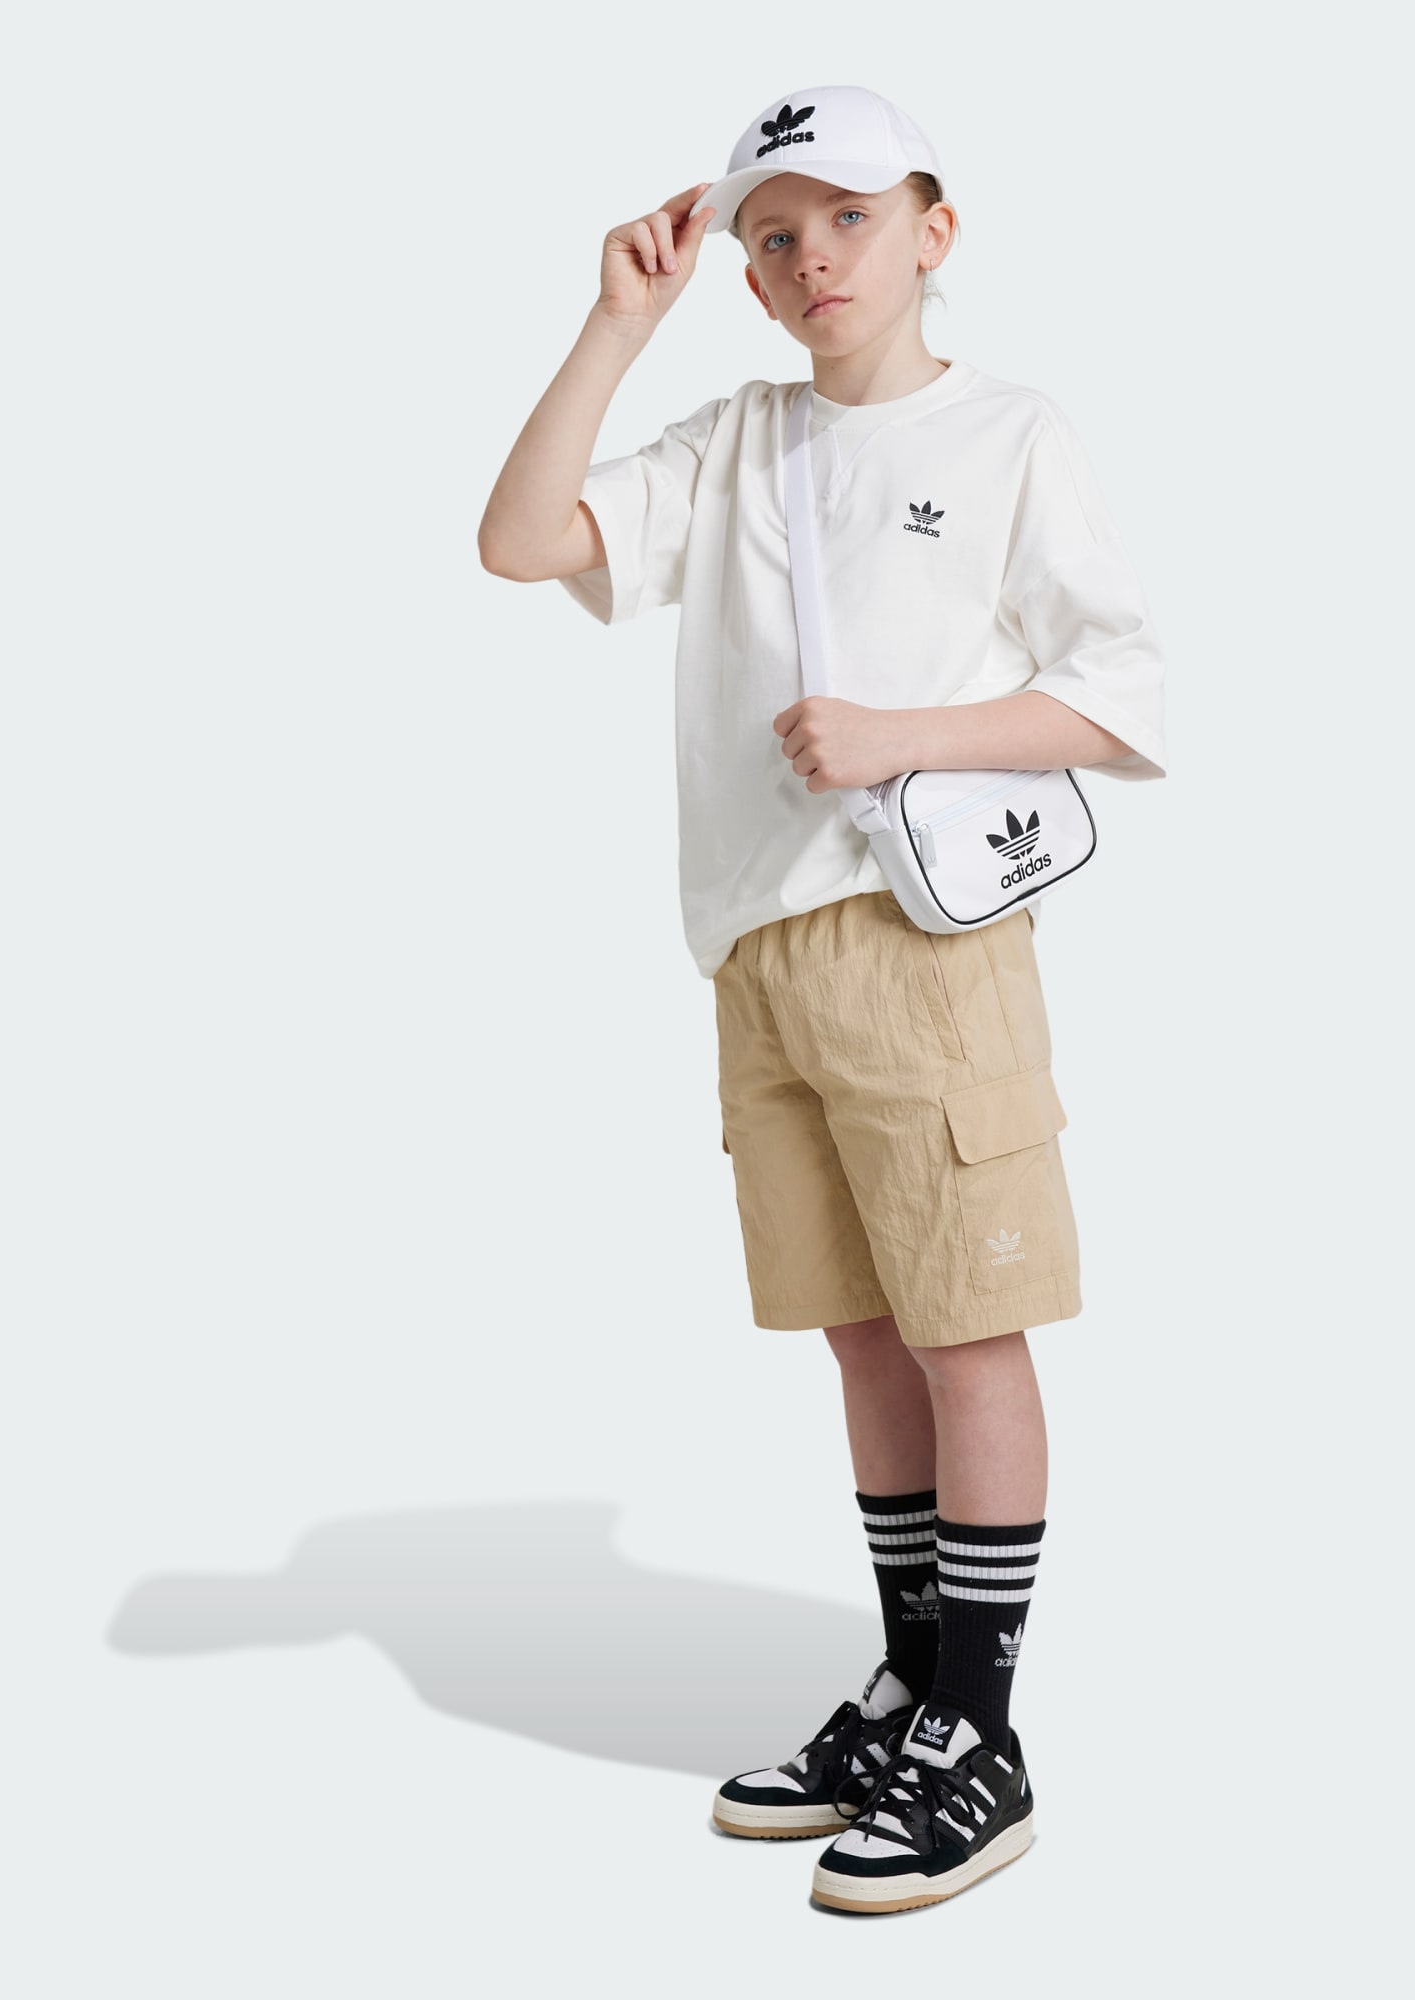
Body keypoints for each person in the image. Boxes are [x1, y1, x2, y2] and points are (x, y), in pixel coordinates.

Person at [476, 84, 1167, 1914]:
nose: (810, 258)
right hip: (755, 953)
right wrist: (617, 325)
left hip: (921, 944)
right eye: (773, 235)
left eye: (848, 216)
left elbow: (1123, 695)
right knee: (863, 1334)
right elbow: (520, 541)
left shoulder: (1009, 433)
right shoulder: (737, 442)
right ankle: (908, 1692)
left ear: (934, 229)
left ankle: (981, 1735)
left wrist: (902, 735)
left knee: (967, 1333)